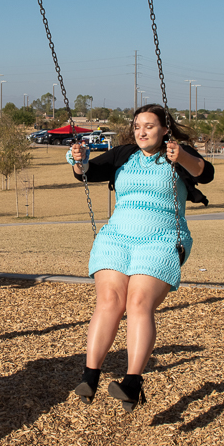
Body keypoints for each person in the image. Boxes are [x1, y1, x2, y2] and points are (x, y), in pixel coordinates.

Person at [67, 104, 214, 412]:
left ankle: (132, 383)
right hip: (117, 237)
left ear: (165, 129)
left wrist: (181, 156)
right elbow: (88, 173)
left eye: (149, 126)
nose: (141, 132)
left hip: (161, 239)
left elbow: (205, 173)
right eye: (137, 127)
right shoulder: (124, 155)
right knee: (109, 301)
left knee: (138, 302)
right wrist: (79, 162)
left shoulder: (177, 153)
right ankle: (89, 377)